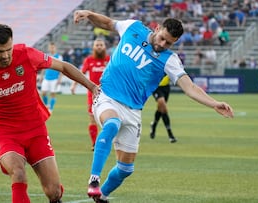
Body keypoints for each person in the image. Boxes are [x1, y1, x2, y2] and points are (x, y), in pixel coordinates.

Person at [73, 10, 234, 203]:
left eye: (169, 43)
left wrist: (214, 103)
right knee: (112, 123)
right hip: (107, 95)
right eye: (162, 38)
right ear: (157, 28)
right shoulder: (133, 27)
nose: (163, 44)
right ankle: (94, 179)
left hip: (133, 110)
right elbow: (108, 23)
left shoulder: (170, 59)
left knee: (125, 169)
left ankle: (102, 196)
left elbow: (189, 87)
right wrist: (88, 13)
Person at [0, 24, 99, 203]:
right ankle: (8, 159)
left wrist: (92, 86)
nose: (6, 56)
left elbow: (62, 66)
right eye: (0, 51)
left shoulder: (27, 54)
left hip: (35, 130)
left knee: (53, 192)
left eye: (8, 49)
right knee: (18, 172)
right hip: (4, 133)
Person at [70, 38, 110, 151]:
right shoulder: (89, 60)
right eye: (97, 45)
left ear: (104, 47)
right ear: (93, 47)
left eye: (101, 45)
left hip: (108, 94)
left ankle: (105, 142)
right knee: (92, 119)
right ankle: (94, 144)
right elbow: (80, 74)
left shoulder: (109, 60)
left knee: (107, 119)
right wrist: (74, 85)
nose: (99, 47)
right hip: (92, 94)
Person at [149, 75, 177, 143]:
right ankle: (170, 134)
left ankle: (154, 125)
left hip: (166, 87)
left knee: (161, 109)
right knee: (163, 107)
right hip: (156, 87)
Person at [39, 42, 63, 113]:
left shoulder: (59, 57)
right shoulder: (46, 56)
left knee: (53, 94)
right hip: (46, 78)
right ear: (49, 48)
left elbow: (62, 69)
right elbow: (43, 67)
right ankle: (46, 105)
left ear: (55, 48)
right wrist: (41, 76)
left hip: (54, 79)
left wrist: (60, 79)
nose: (51, 48)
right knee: (43, 93)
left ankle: (51, 109)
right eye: (50, 47)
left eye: (53, 47)